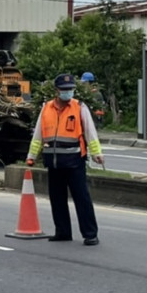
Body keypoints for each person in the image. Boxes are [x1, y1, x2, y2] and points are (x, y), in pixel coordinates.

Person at [26, 73, 105, 245]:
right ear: (57, 90)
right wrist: (31, 156)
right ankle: (62, 232)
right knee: (57, 198)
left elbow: (90, 133)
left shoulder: (79, 107)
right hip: (53, 162)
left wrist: (97, 153)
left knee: (81, 198)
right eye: (64, 89)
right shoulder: (46, 108)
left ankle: (90, 234)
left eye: (70, 90)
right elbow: (38, 135)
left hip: (75, 161)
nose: (68, 93)